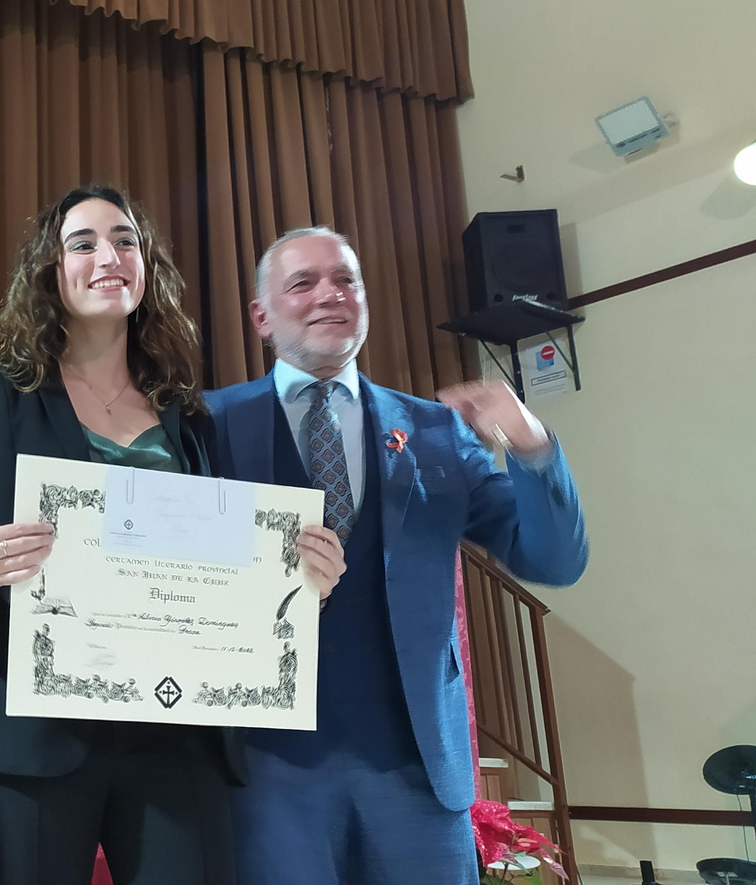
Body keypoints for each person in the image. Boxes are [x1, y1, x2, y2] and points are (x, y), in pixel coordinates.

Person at [0, 186, 346, 885]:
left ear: (147, 269)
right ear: (51, 271)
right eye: (83, 243)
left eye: (125, 240)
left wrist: (299, 585)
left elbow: (225, 572)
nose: (108, 256)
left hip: (177, 739)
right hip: (29, 734)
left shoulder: (189, 416)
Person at [206, 226, 588, 884]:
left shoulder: (438, 431)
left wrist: (530, 443)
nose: (331, 294)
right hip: (264, 774)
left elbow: (553, 561)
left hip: (416, 770)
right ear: (261, 315)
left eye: (346, 280)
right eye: (303, 282)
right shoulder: (205, 424)